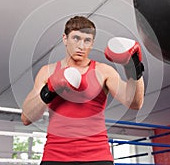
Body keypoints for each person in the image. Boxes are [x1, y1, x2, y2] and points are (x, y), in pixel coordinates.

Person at [21, 16, 145, 165]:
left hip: (97, 156)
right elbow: (26, 118)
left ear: (92, 43)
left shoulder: (103, 71)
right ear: (65, 39)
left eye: (87, 40)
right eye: (76, 38)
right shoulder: (48, 71)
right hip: (55, 156)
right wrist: (50, 89)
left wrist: (134, 68)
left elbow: (134, 103)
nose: (81, 45)